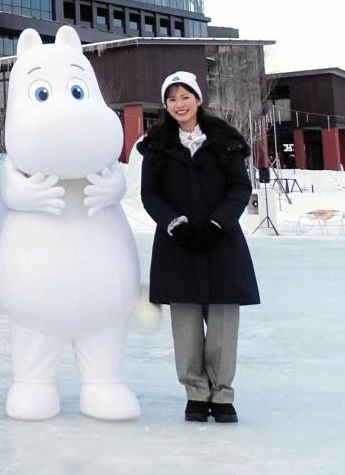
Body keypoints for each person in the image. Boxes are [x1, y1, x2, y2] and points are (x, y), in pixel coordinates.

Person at [137, 71, 260, 424]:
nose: (179, 104)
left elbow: (240, 186)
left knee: (222, 322)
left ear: (198, 98)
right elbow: (150, 194)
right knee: (186, 325)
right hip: (179, 244)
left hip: (222, 241)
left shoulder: (225, 140)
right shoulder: (157, 144)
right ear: (166, 104)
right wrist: (176, 224)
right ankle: (195, 393)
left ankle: (222, 395)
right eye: (172, 98)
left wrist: (219, 222)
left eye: (185, 96)